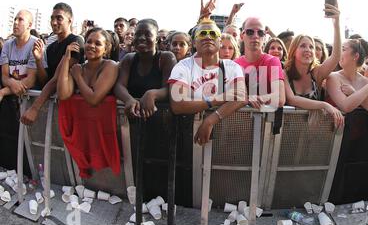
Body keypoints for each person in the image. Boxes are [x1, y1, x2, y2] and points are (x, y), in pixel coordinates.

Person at [169, 18, 247, 146]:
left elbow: (241, 97)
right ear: (194, 43)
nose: (208, 37)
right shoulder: (183, 66)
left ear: (219, 40)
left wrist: (210, 120)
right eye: (202, 34)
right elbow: (178, 105)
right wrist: (217, 100)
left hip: (224, 141)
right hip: (188, 139)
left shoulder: (232, 66)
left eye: (213, 34)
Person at [57, 28, 120, 178]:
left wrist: (78, 77)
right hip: (83, 133)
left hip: (104, 132)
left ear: (106, 49)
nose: (92, 45)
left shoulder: (110, 66)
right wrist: (66, 60)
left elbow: (94, 99)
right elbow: (63, 94)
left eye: (98, 43)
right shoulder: (79, 67)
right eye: (89, 42)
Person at [20, 2, 85, 125]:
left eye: (59, 18)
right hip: (52, 108)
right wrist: (39, 61)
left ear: (70, 21)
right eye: (52, 18)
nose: (54, 22)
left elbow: (57, 79)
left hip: (69, 108)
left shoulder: (76, 42)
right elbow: (46, 80)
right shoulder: (50, 48)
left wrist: (34, 108)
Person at [283, 2, 344, 127]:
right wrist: (324, 105)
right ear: (294, 51)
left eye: (311, 47)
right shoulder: (284, 73)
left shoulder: (316, 73)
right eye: (303, 46)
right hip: (288, 133)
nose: (308, 50)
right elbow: (292, 99)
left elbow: (336, 56)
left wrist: (336, 24)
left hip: (312, 134)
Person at [114, 19, 176, 119]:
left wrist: (152, 94)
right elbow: (119, 86)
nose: (142, 38)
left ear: (156, 39)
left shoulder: (166, 58)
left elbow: (169, 88)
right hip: (134, 118)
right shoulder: (128, 59)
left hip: (161, 119)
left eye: (148, 34)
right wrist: (129, 99)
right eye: (137, 34)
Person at [326, 38, 368, 117]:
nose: (339, 53)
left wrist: (354, 93)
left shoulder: (366, 81)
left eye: (343, 49)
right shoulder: (333, 77)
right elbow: (345, 106)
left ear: (356, 56)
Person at [235, 17, 286, 109]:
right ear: (242, 36)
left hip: (265, 122)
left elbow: (280, 98)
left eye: (260, 33)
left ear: (265, 37)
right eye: (250, 32)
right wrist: (248, 98)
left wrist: (255, 98)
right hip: (237, 121)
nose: (255, 36)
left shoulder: (272, 61)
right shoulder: (235, 64)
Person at [0, 10, 39, 102]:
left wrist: (3, 92)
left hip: (30, 100)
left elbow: (30, 81)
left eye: (20, 19)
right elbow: (4, 77)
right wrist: (12, 82)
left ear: (29, 25)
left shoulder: (35, 44)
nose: (15, 22)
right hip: (11, 101)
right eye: (15, 19)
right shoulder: (7, 44)